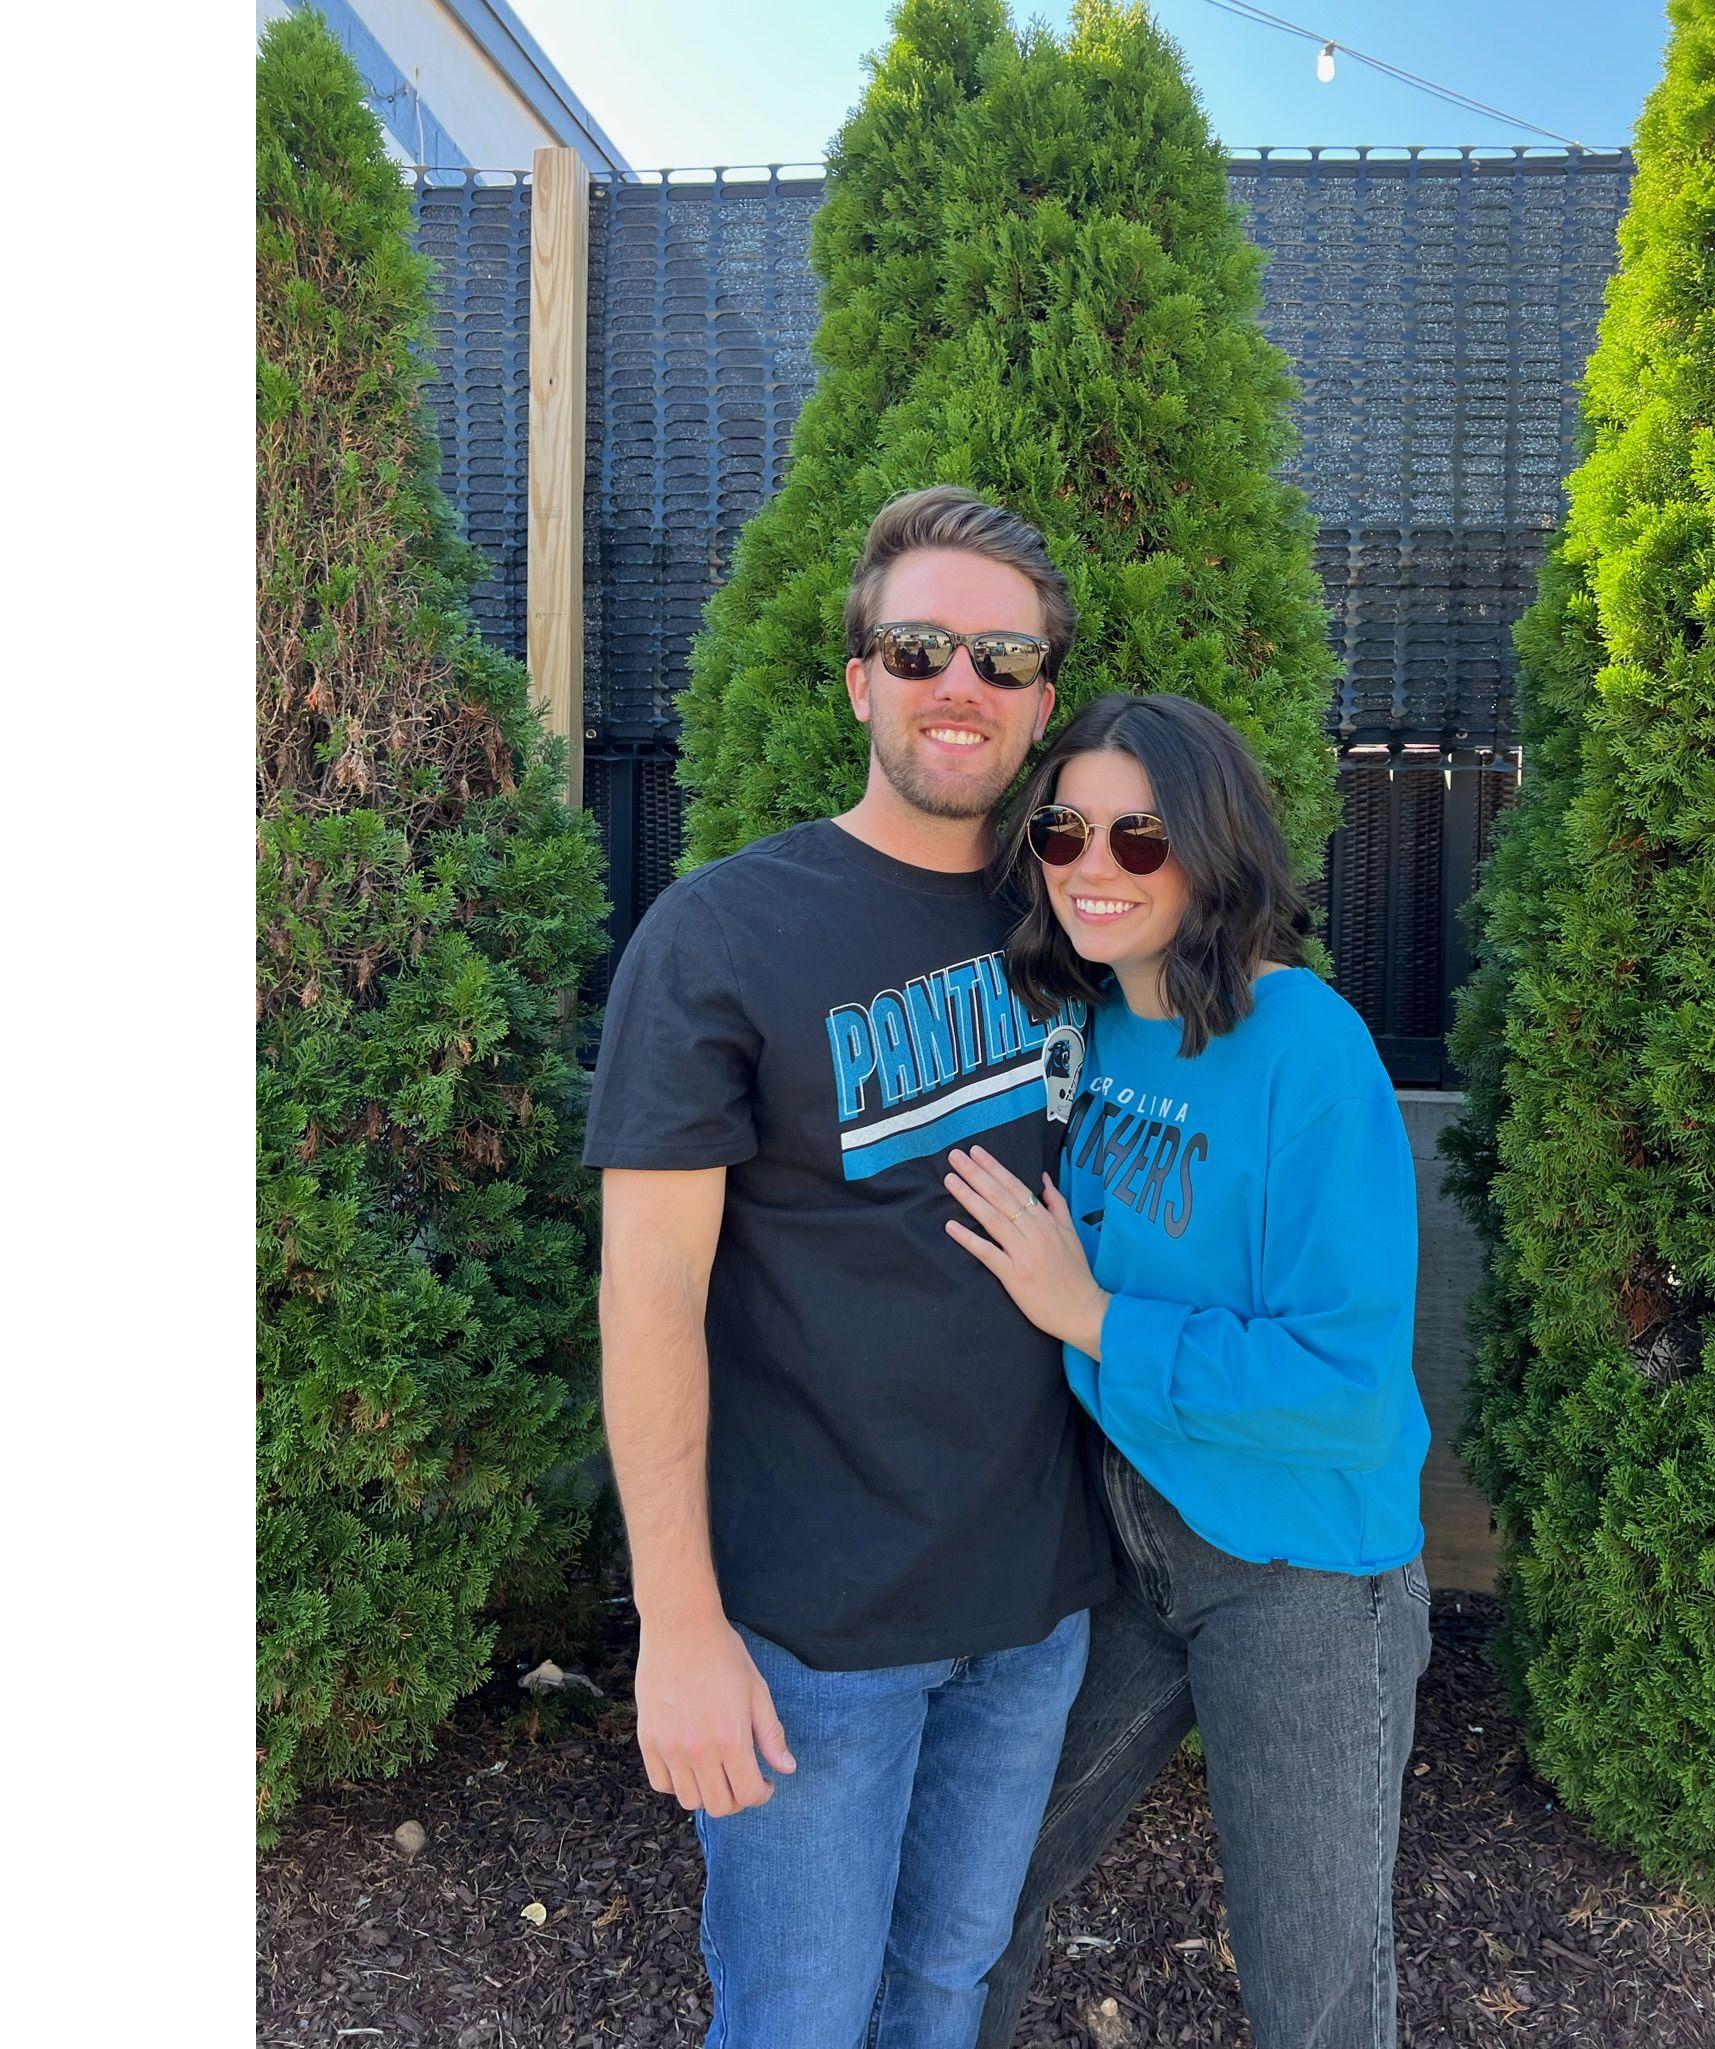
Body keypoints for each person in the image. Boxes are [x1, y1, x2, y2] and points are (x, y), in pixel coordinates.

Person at [583, 486, 1116, 2047]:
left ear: (1039, 702)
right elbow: (648, 1296)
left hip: (1033, 1604)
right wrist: (677, 1624)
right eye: (919, 646)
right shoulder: (720, 937)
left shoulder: (1083, 920)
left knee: (943, 1990)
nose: (960, 683)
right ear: (858, 680)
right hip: (806, 1629)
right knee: (798, 2015)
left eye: (1002, 659)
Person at [944, 692, 1434, 2049]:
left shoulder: (1305, 1048)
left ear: (1210, 848)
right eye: (1064, 833)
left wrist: (1094, 1316)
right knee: (974, 1891)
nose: (1093, 866)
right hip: (1119, 1540)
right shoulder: (1091, 1025)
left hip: (1298, 1573)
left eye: (1140, 836)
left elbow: (1344, 1385)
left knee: (1311, 1983)